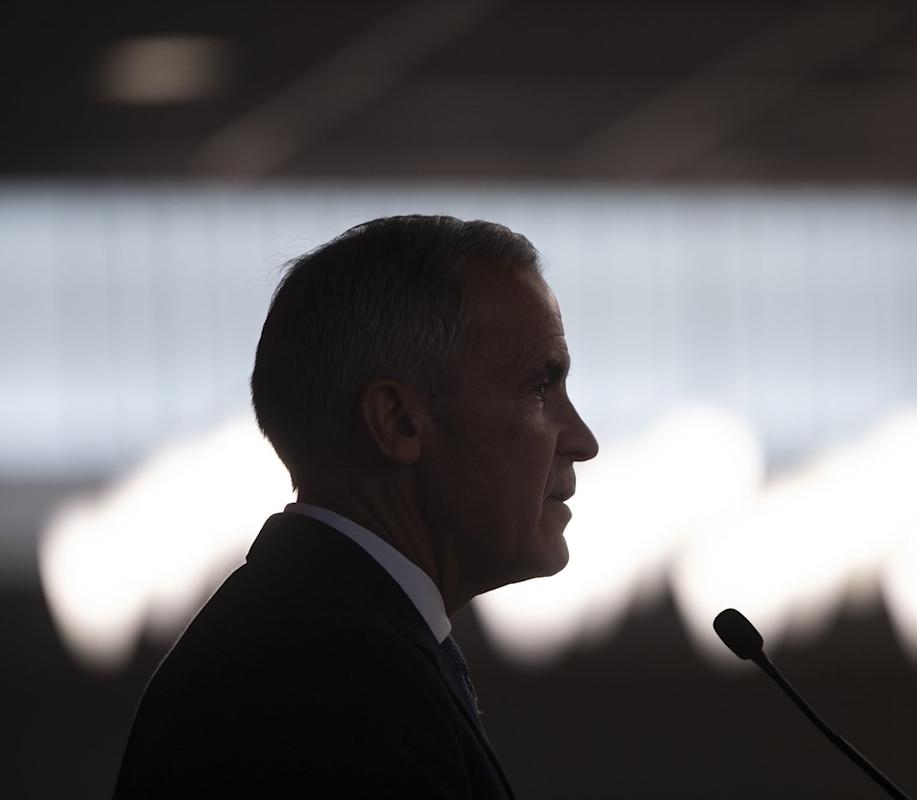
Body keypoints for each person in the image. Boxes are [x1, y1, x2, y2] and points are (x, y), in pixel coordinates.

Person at [112, 215, 600, 798]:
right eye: (540, 388)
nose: (583, 440)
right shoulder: (338, 681)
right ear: (398, 422)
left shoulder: (316, 640)